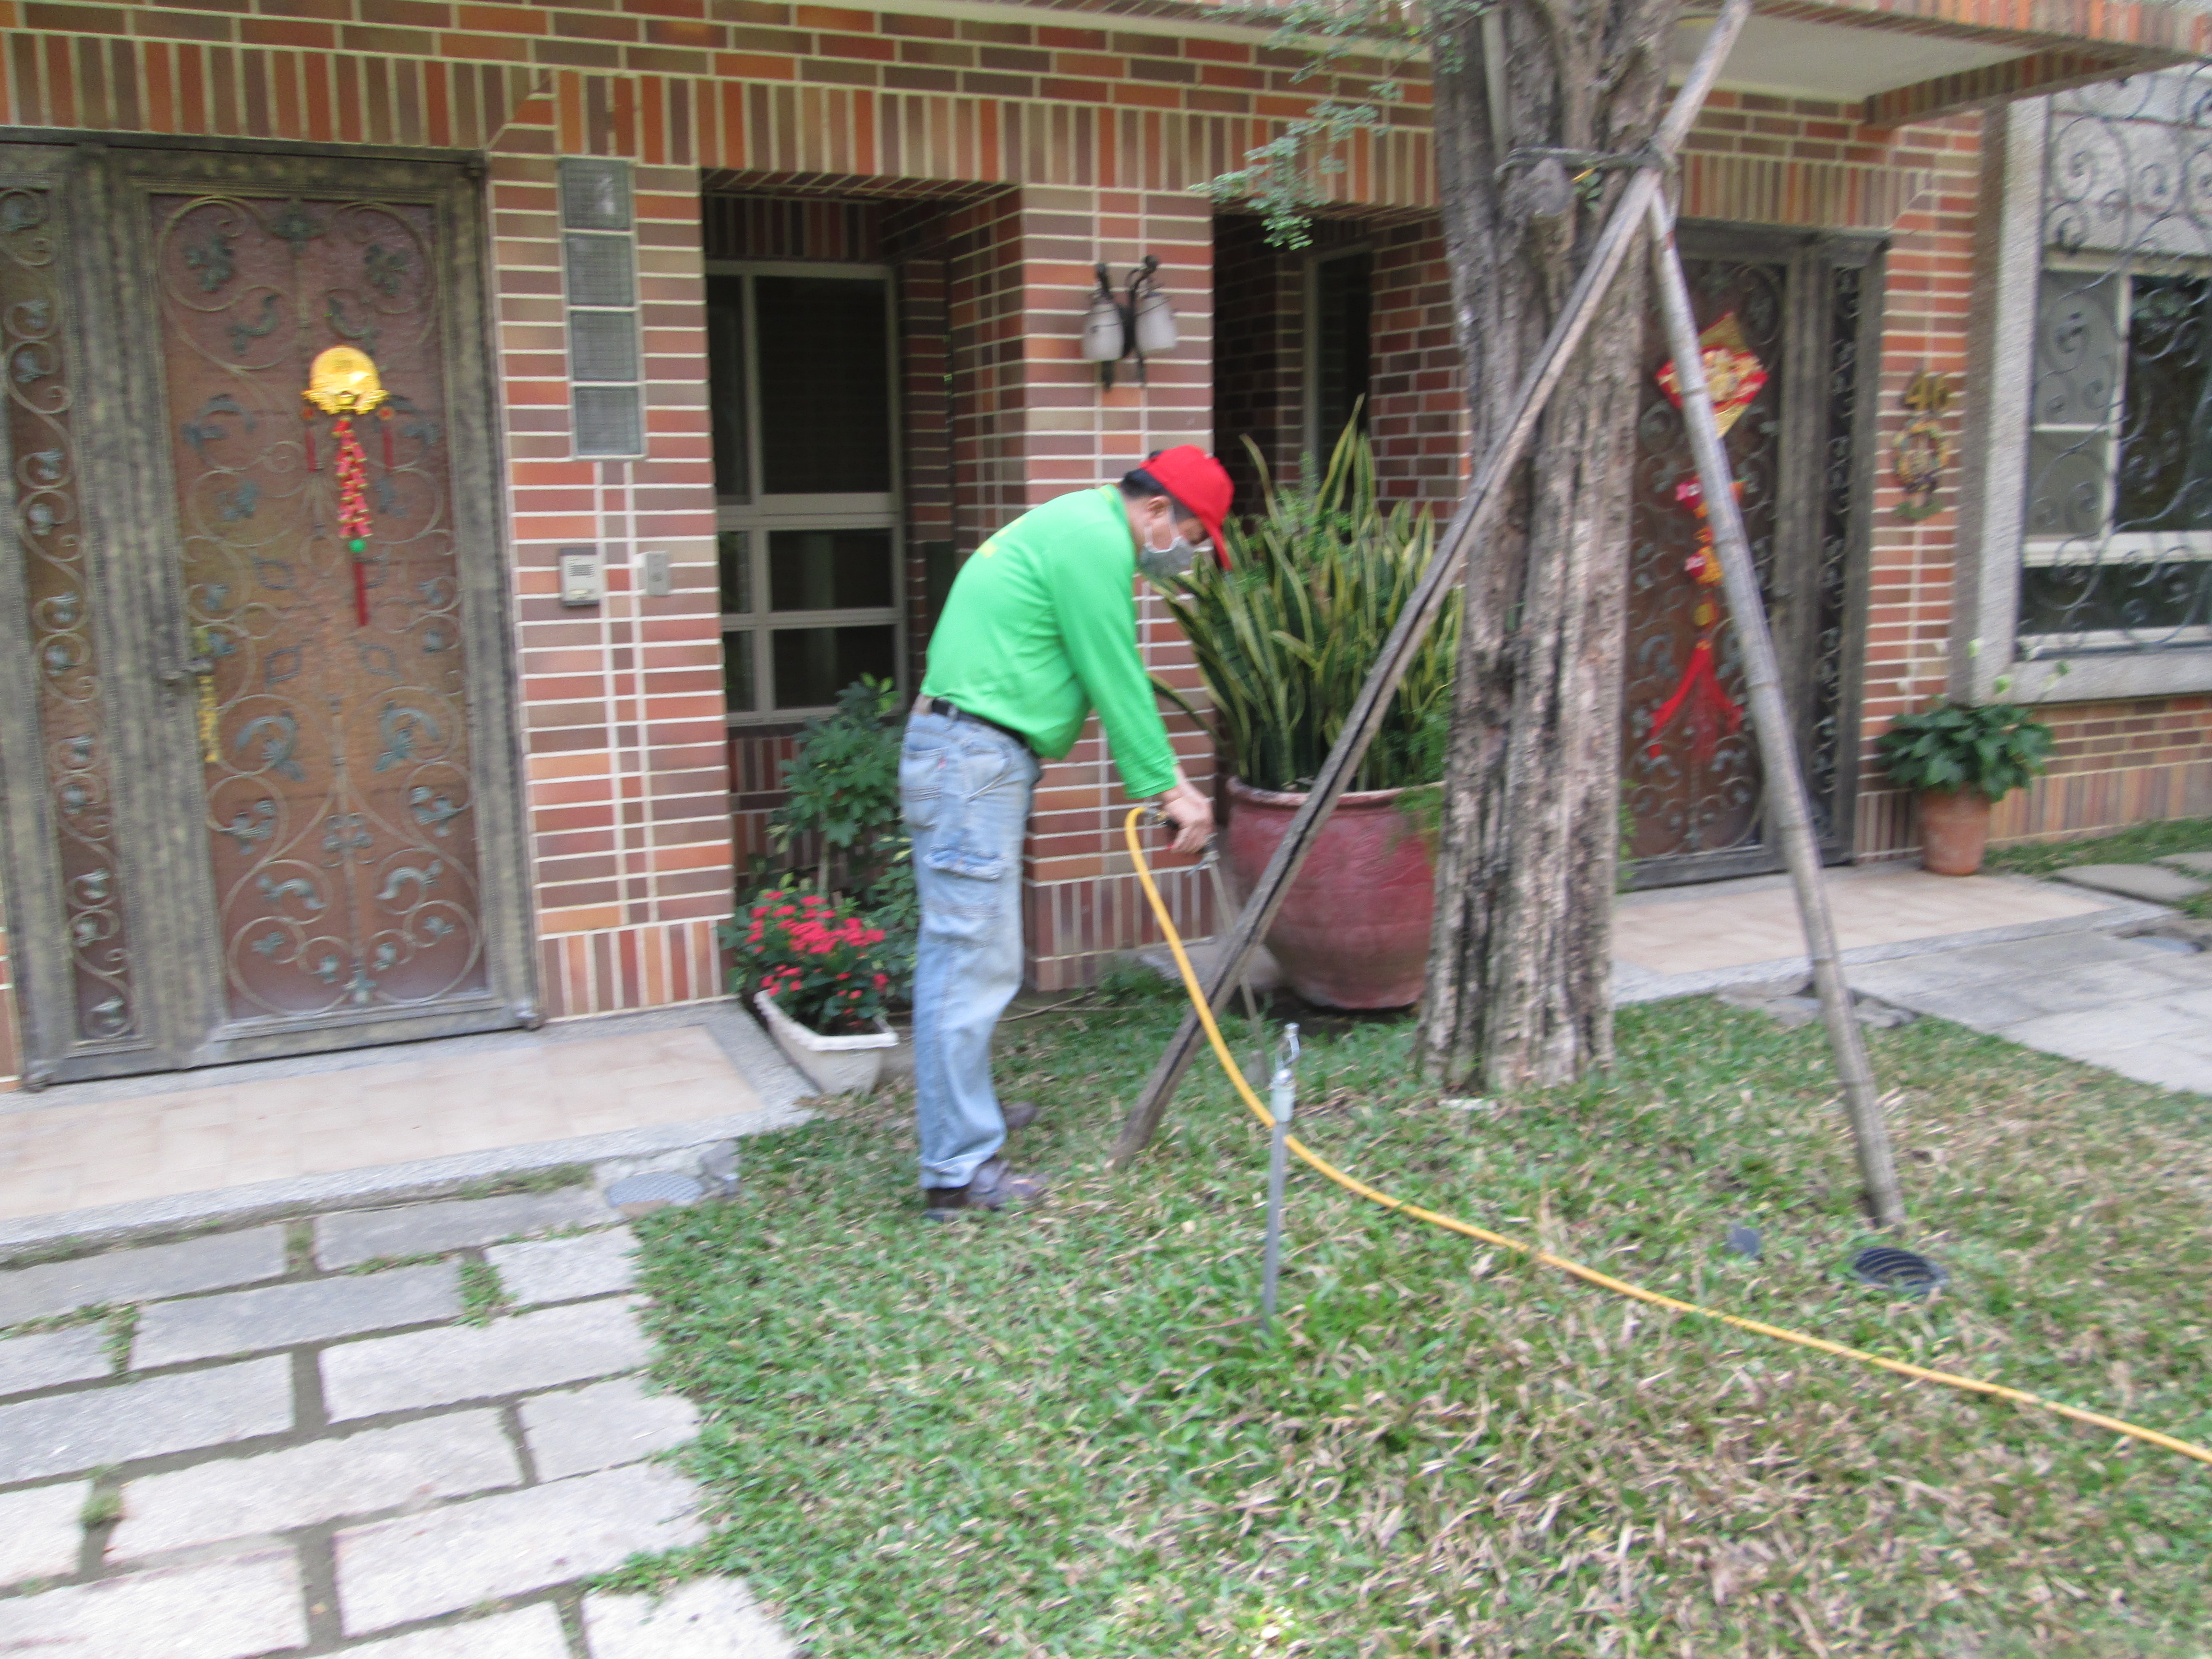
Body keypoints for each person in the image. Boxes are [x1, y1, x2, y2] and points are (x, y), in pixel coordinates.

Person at [901, 445, 1233, 1218]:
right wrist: (1165, 789)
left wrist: (1164, 781)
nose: (1183, 555)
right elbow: (1112, 668)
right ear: (1156, 511)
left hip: (969, 758)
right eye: (1188, 533)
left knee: (981, 953)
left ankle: (964, 1118)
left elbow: (1100, 672)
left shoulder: (1076, 524)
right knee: (967, 958)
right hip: (969, 761)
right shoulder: (1094, 541)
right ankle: (955, 1167)